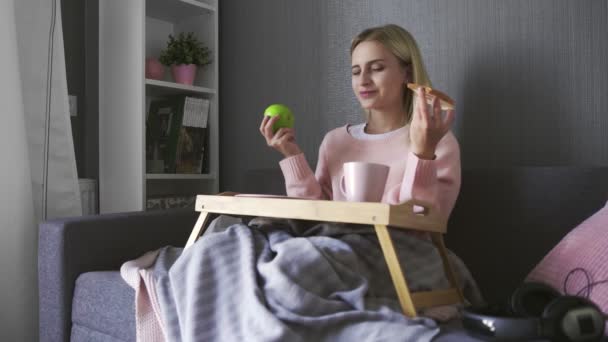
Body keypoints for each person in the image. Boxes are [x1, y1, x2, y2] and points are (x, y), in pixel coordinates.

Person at [259, 24, 460, 220]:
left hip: (394, 251)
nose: (363, 80)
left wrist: (422, 154)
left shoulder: (437, 142)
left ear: (406, 73)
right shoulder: (335, 141)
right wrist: (291, 155)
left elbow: (422, 222)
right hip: (331, 245)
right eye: (356, 71)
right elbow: (312, 219)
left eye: (376, 68)